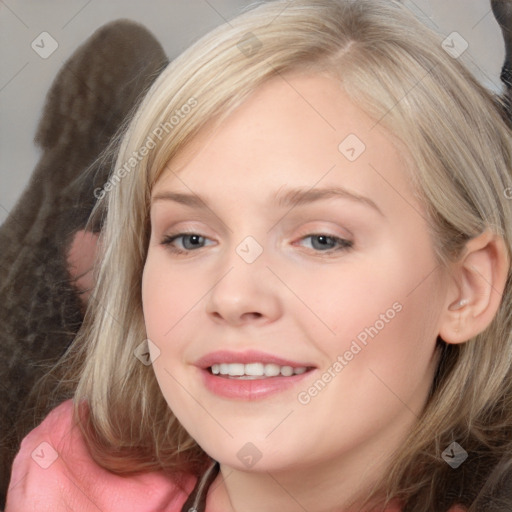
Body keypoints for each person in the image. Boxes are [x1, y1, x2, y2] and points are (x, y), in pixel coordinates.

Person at [5, 0, 512, 510]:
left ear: (465, 288)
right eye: (190, 239)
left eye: (322, 240)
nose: (233, 295)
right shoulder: (69, 476)